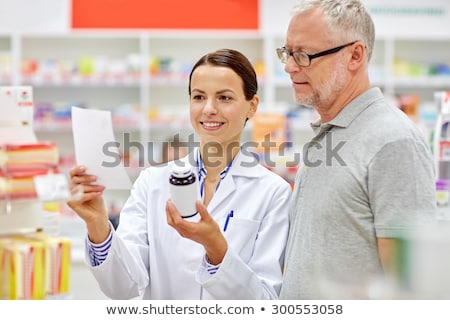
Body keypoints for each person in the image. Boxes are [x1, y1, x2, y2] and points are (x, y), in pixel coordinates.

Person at [67, 48, 292, 299]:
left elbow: (265, 302)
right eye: (198, 97)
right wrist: (97, 224)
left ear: (252, 106)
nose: (208, 109)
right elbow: (123, 287)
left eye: (224, 98)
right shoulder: (152, 182)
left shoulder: (273, 192)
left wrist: (217, 249)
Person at [277, 0, 437, 299]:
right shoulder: (329, 131)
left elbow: (412, 287)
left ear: (355, 55)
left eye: (303, 55)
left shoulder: (393, 141)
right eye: (287, 53)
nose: (289, 66)